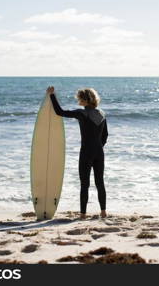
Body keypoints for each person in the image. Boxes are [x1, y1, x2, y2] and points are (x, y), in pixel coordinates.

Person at [46, 86, 108, 219]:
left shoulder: (81, 113)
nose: (78, 100)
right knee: (100, 183)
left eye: (79, 98)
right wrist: (98, 147)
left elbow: (59, 112)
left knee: (84, 184)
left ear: (85, 100)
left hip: (86, 152)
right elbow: (105, 136)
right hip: (99, 152)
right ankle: (103, 212)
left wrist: (52, 95)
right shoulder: (102, 114)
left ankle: (83, 214)